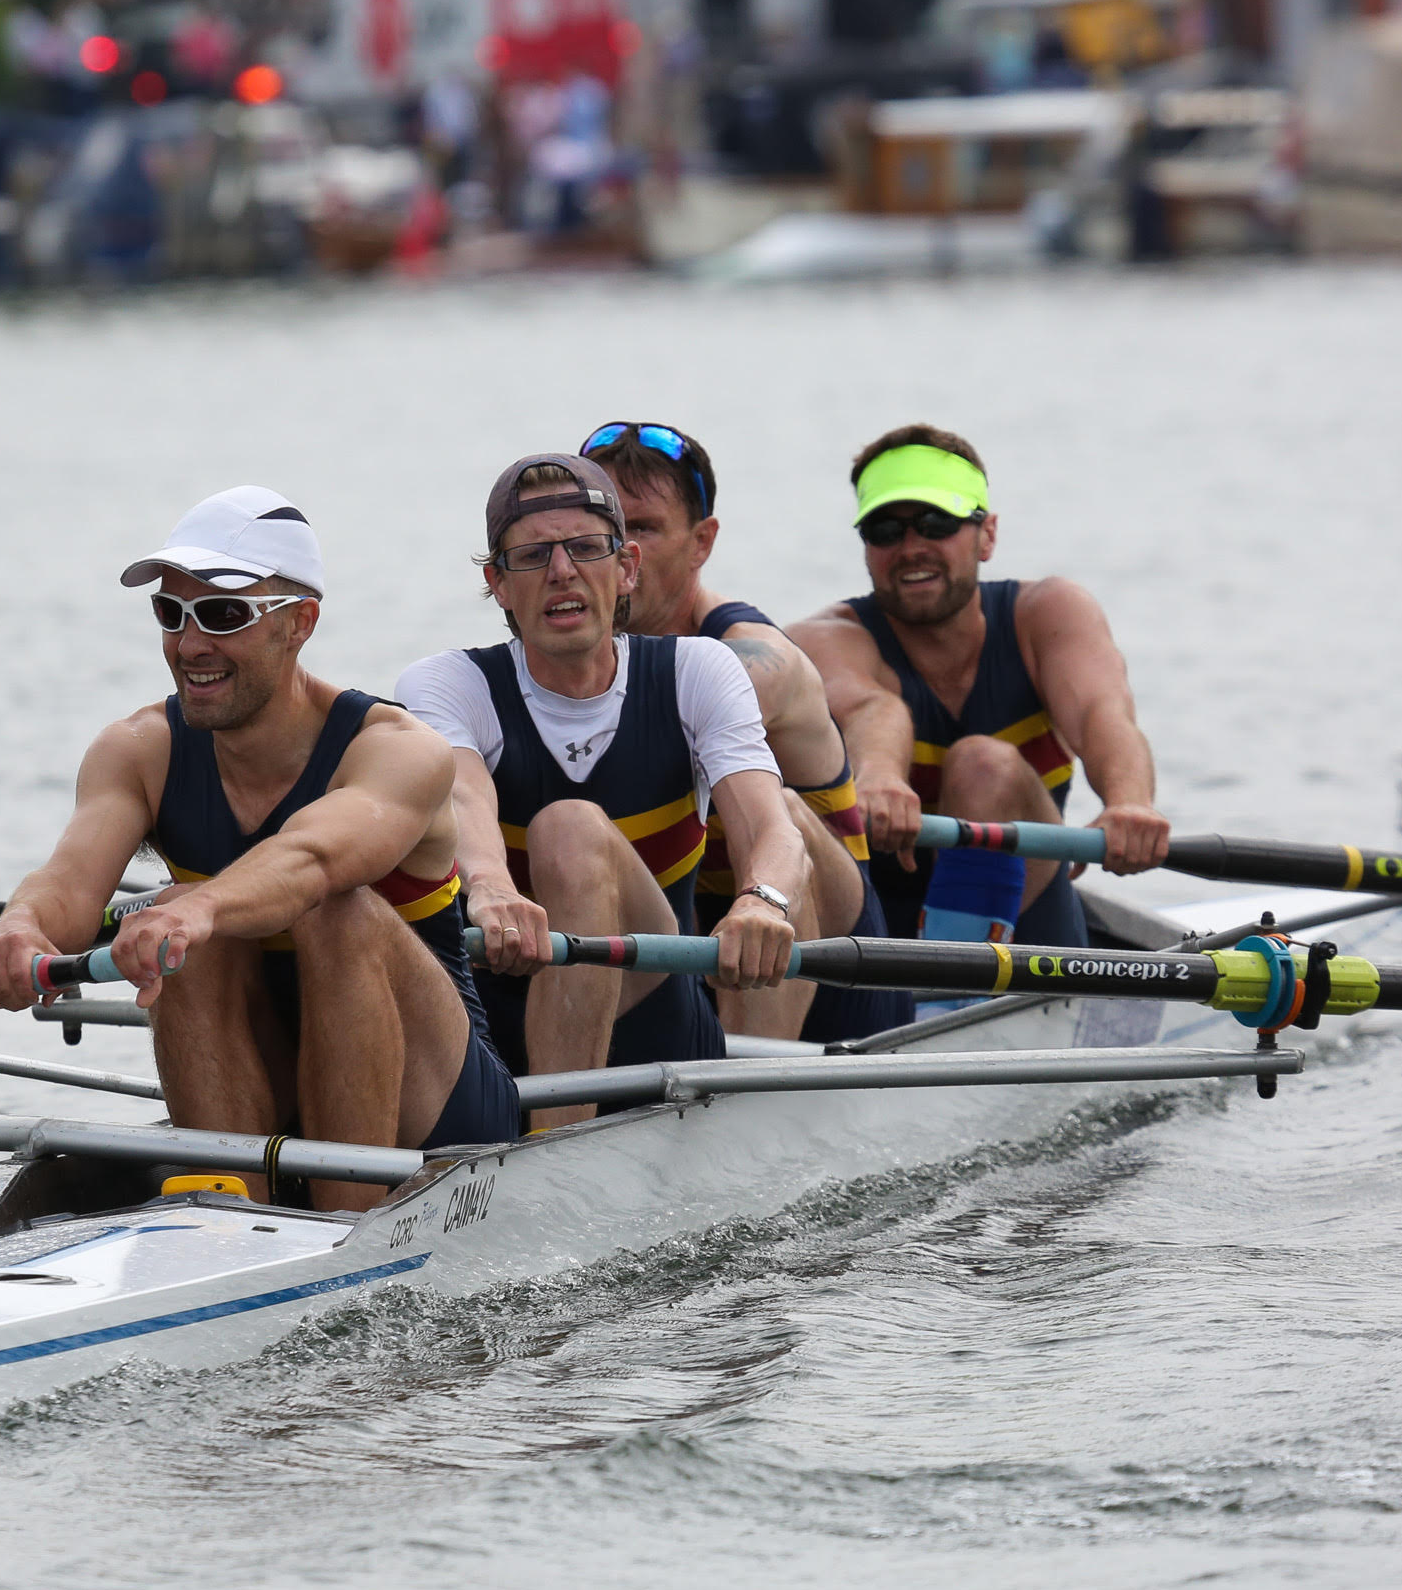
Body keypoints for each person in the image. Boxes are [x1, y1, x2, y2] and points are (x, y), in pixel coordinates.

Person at [0, 488, 522, 1209]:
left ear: (299, 624)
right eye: (173, 613)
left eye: (224, 616)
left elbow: (312, 860)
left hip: (441, 1105)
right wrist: (20, 927)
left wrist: (201, 912)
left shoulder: (399, 751)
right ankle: (229, 1210)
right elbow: (70, 884)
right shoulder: (138, 749)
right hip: (268, 1083)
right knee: (176, 909)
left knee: (323, 910)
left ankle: (342, 1216)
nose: (191, 644)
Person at [397, 454, 808, 1130]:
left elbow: (774, 828)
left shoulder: (697, 671)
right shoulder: (447, 686)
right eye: (532, 556)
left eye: (586, 549)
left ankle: (552, 1156)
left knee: (569, 828)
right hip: (495, 1024)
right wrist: (492, 888)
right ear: (497, 584)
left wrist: (763, 901)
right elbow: (465, 800)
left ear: (627, 568)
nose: (562, 571)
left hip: (663, 1031)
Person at [787, 425, 1169, 969]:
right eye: (885, 529)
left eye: (937, 523)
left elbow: (1100, 714)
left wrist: (1128, 804)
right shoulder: (823, 640)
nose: (911, 547)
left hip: (1033, 923)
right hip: (877, 945)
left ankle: (949, 996)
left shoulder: (1049, 615)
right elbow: (868, 709)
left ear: (987, 535)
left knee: (983, 765)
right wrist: (879, 778)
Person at [580, 419, 912, 1044]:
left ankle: (747, 1095)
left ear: (702, 542)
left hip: (839, 975)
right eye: (604, 531)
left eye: (644, 527)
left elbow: (878, 707)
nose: (620, 552)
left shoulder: (757, 658)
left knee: (780, 810)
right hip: (689, 958)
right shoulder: (556, 663)